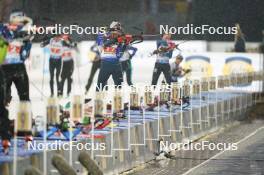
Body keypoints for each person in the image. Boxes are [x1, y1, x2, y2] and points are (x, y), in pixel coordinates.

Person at [0, 10, 33, 104]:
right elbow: (6, 36)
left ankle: (27, 117)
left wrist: (27, 42)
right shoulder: (4, 28)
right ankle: (3, 117)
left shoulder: (25, 32)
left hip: (19, 67)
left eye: (22, 22)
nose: (21, 24)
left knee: (24, 97)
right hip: (4, 68)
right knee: (4, 98)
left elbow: (24, 55)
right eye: (20, 20)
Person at [96, 21, 125, 91]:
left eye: (119, 29)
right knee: (100, 85)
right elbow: (100, 46)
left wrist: (123, 44)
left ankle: (118, 100)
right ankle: (98, 100)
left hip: (116, 64)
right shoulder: (104, 36)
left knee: (119, 86)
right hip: (105, 63)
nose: (118, 31)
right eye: (116, 28)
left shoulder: (120, 39)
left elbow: (119, 54)